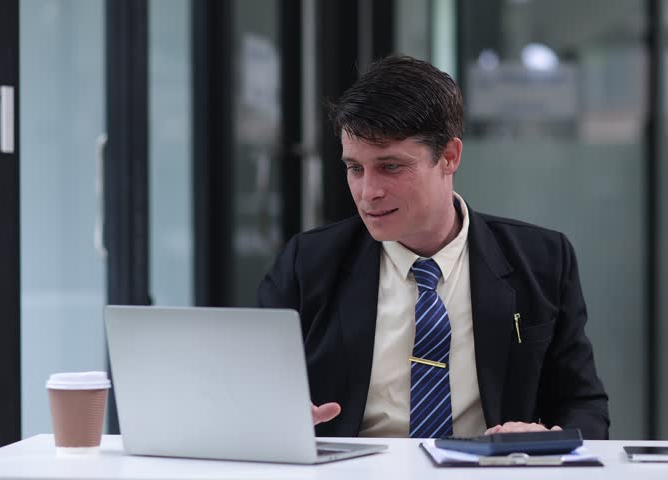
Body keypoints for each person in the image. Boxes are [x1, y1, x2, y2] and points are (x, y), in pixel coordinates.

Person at [257, 55, 609, 439]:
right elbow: (249, 391)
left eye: (390, 166)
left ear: (449, 157)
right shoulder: (308, 262)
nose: (368, 192)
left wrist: (548, 438)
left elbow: (584, 406)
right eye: (355, 168)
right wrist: (275, 418)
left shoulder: (541, 259)